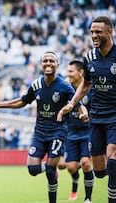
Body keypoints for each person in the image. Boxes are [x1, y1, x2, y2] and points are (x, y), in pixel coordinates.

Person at [0, 51, 86, 203]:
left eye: (51, 61)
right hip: (40, 134)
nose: (48, 63)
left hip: (57, 133)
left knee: (50, 172)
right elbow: (22, 101)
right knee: (33, 170)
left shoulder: (65, 86)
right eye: (45, 61)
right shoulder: (36, 84)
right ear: (41, 64)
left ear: (57, 65)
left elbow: (78, 103)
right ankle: (51, 168)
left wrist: (83, 113)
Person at [57, 16, 116, 203]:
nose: (94, 35)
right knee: (99, 171)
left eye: (98, 32)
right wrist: (72, 103)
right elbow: (86, 84)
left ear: (110, 31)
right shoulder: (89, 57)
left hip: (114, 116)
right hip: (96, 118)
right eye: (92, 32)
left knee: (113, 158)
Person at [63, 60, 94, 202]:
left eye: (70, 71)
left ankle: (88, 198)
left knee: (86, 163)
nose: (67, 74)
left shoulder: (90, 90)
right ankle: (75, 184)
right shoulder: (65, 89)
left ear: (80, 73)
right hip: (71, 133)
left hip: (88, 132)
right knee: (70, 167)